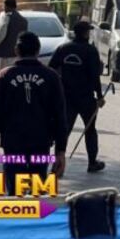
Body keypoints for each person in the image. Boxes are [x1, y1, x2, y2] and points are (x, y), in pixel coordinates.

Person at [0, 32, 68, 196]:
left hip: (13, 143)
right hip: (41, 143)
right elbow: (60, 117)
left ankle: (18, 209)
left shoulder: (4, 76)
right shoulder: (51, 77)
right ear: (38, 50)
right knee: (38, 190)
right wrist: (60, 151)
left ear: (16, 50)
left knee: (15, 192)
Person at [49, 21, 106, 173]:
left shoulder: (63, 48)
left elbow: (51, 69)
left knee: (63, 131)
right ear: (86, 33)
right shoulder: (90, 50)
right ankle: (92, 163)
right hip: (86, 98)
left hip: (66, 97)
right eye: (89, 31)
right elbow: (95, 76)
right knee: (90, 129)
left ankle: (57, 165)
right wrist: (100, 96)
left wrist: (57, 87)